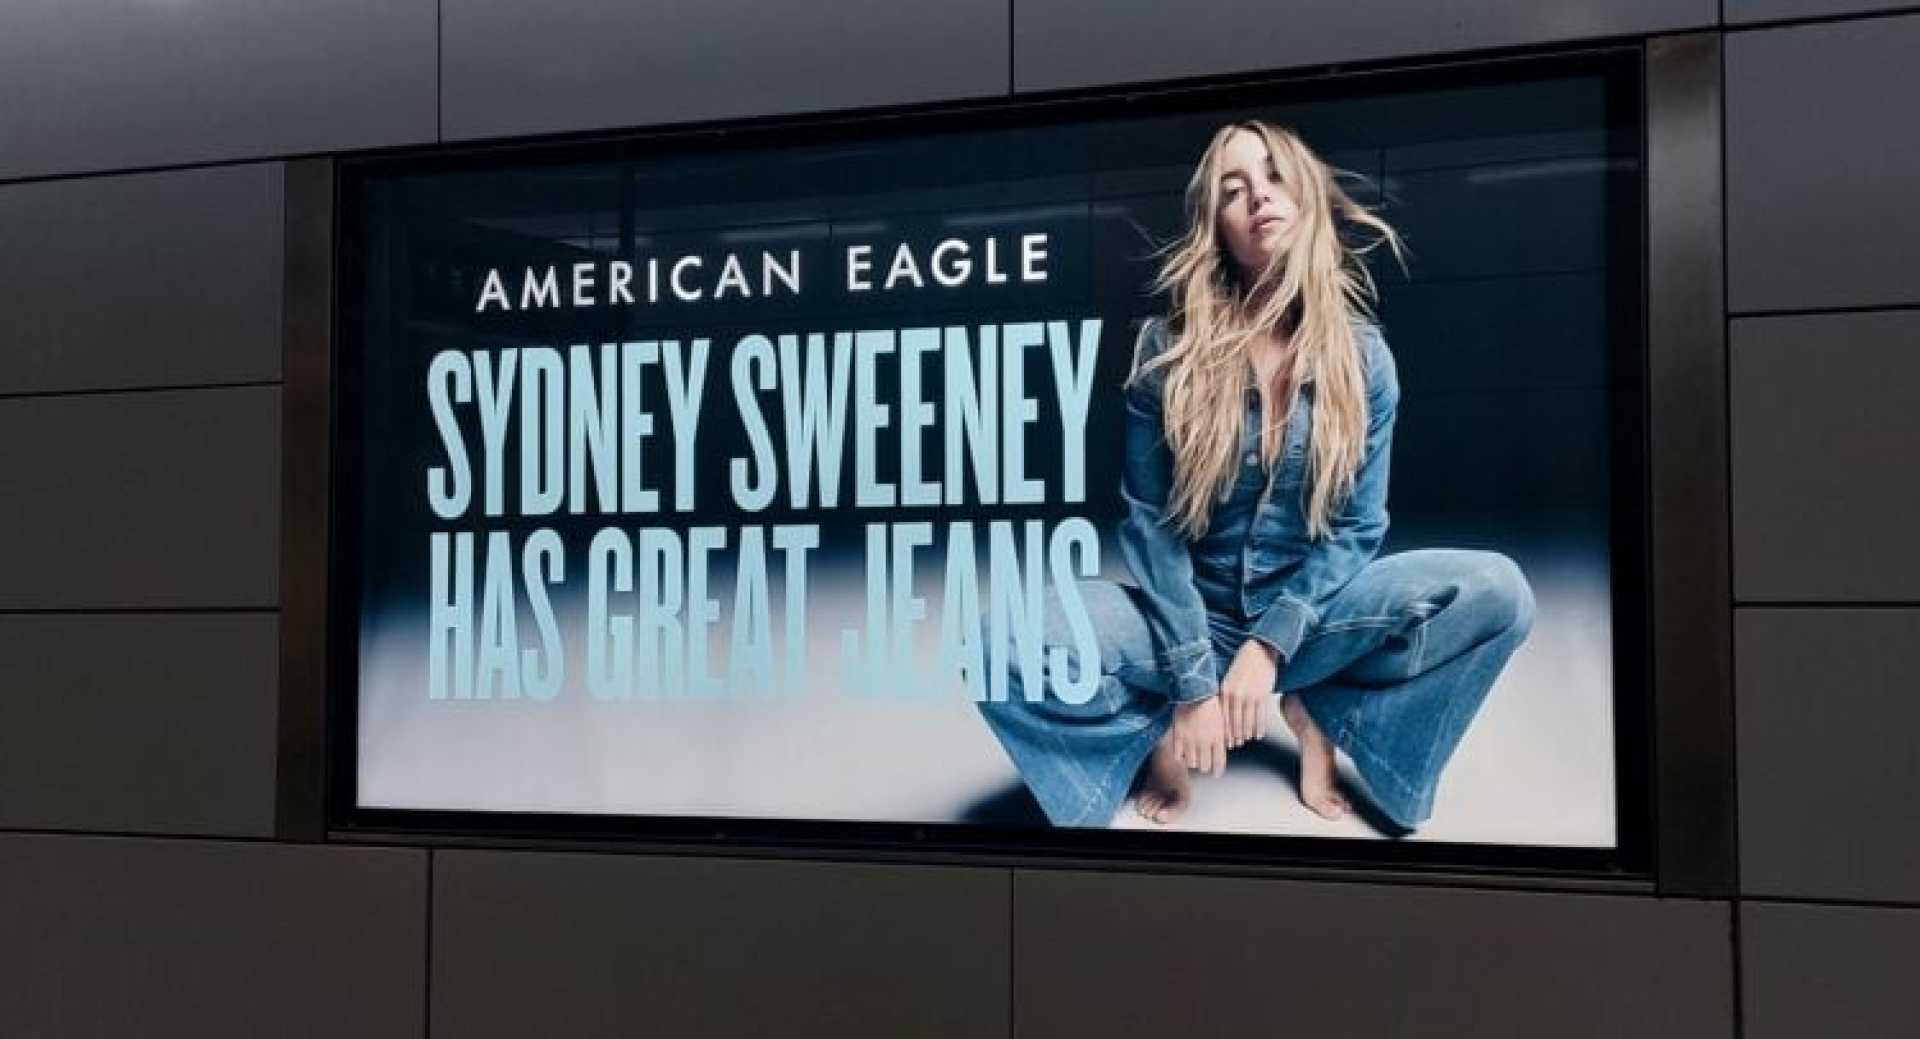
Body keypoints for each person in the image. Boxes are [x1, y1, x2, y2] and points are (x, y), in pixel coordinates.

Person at [976, 121, 1535, 831]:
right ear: (1217, 227)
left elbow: (1361, 524)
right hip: (1187, 615)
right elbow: (1150, 524)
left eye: (1273, 177)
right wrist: (1188, 683)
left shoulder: (1365, 359)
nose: (1258, 198)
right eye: (1233, 190)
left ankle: (1322, 709)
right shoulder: (1165, 349)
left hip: (1313, 621)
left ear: (1306, 200)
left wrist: (1271, 648)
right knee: (1002, 641)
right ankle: (1154, 735)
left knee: (1499, 593)